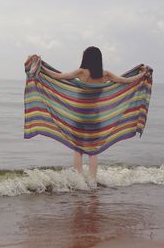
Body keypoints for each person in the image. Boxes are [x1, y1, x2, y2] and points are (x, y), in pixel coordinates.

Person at [36, 46, 148, 183]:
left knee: (78, 148)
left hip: (80, 115)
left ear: (86, 58)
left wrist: (41, 67)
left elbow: (58, 76)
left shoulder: (81, 72)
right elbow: (126, 80)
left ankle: (79, 181)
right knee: (93, 150)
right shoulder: (105, 74)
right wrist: (142, 74)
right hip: (95, 116)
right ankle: (92, 181)